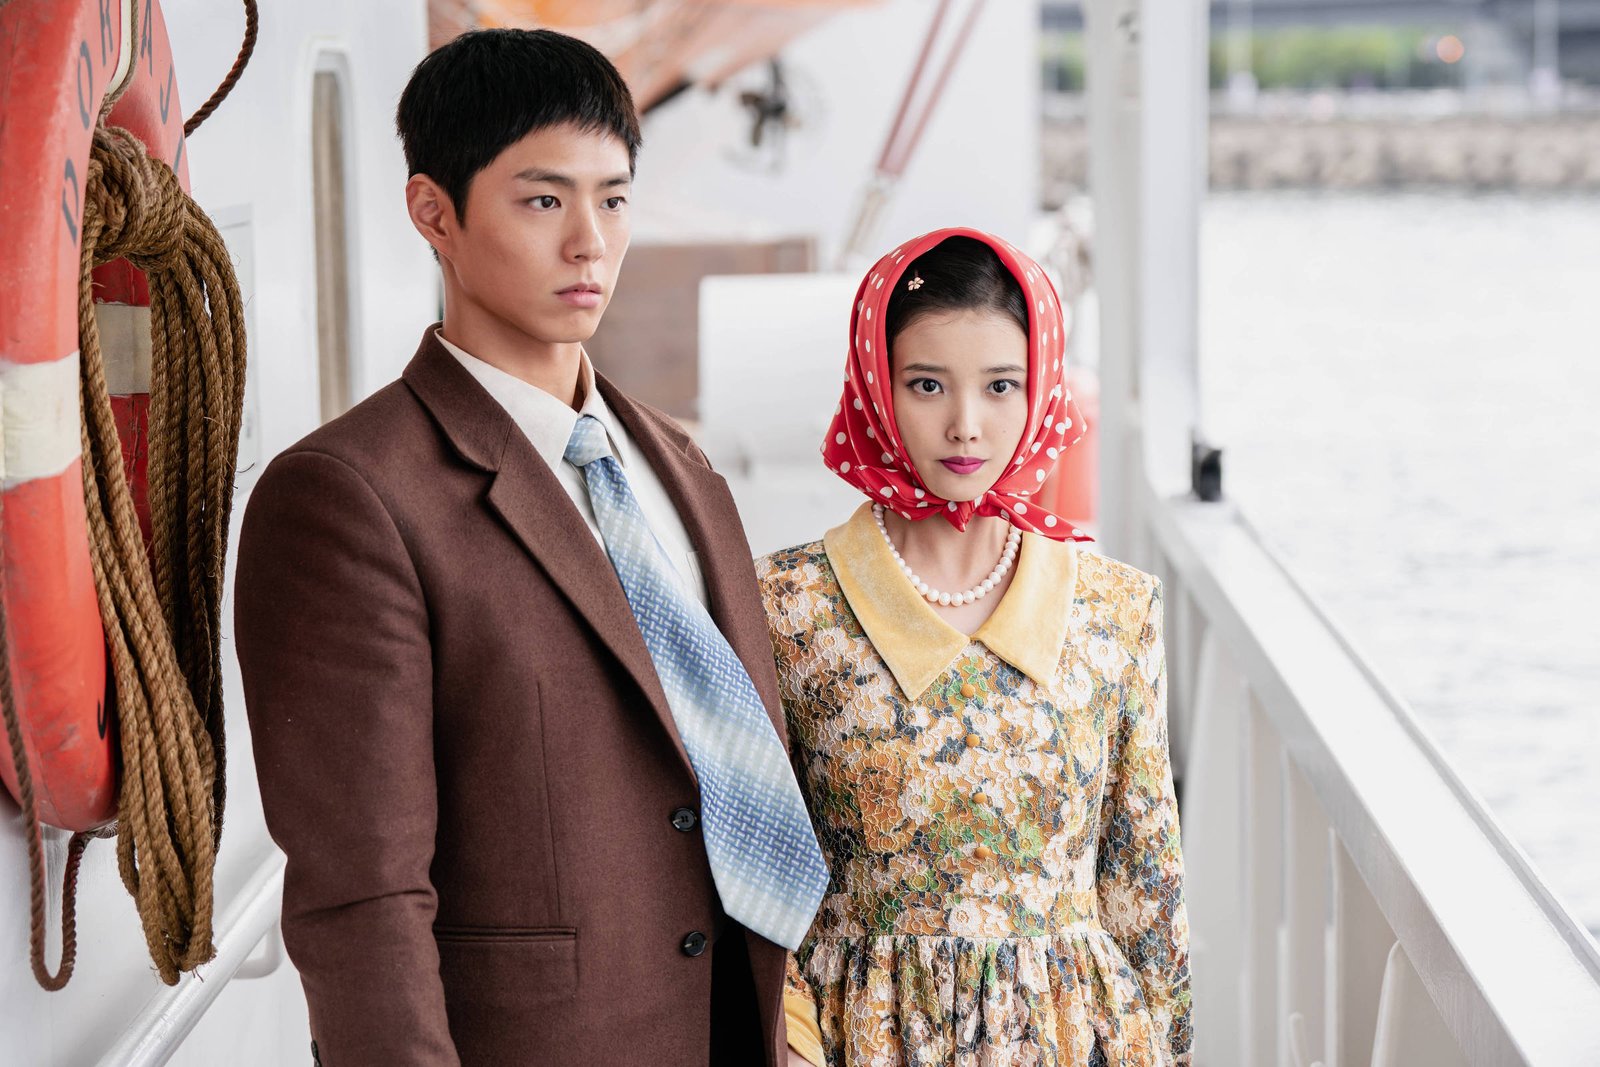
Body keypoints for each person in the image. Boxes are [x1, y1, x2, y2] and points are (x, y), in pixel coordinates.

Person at [232, 29, 825, 1066]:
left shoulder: (677, 466)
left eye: (614, 198)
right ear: (434, 213)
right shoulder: (348, 496)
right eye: (544, 200)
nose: (590, 242)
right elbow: (362, 897)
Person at [761, 228, 1192, 1066]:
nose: (966, 425)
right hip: (858, 1042)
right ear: (876, 387)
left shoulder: (1115, 611)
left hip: (1076, 1041)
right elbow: (751, 871)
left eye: (1002, 386)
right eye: (927, 384)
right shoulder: (787, 605)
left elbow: (1147, 893)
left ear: (1042, 390)